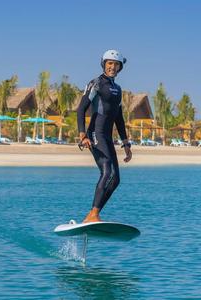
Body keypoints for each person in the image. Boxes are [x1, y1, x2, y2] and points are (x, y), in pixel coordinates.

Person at [77, 49, 132, 223]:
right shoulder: (96, 83)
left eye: (116, 64)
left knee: (115, 179)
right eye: (109, 63)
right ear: (104, 64)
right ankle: (93, 215)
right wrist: (82, 135)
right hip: (95, 134)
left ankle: (93, 214)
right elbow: (81, 108)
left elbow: (119, 118)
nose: (112, 67)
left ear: (120, 67)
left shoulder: (118, 89)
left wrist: (126, 143)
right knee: (107, 171)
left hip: (107, 137)